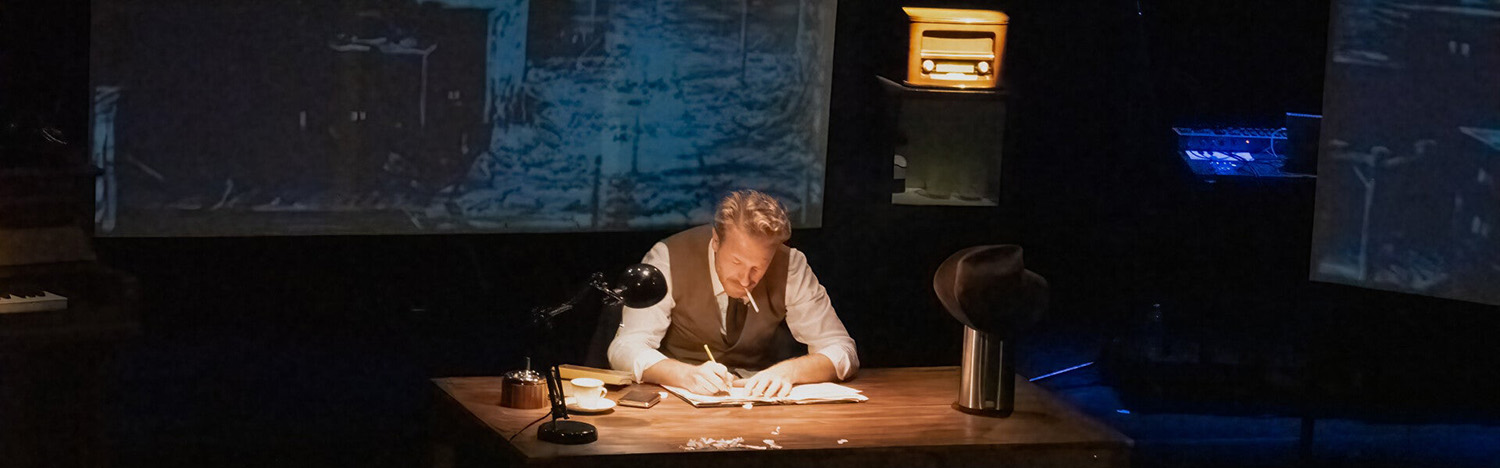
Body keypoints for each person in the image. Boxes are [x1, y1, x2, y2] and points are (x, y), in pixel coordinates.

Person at [608, 190, 858, 397]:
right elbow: (625, 348)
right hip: (679, 400)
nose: (746, 279)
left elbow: (842, 349)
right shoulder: (669, 257)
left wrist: (789, 372)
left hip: (757, 400)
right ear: (716, 241)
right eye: (736, 262)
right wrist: (684, 374)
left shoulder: (790, 264)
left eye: (758, 267)